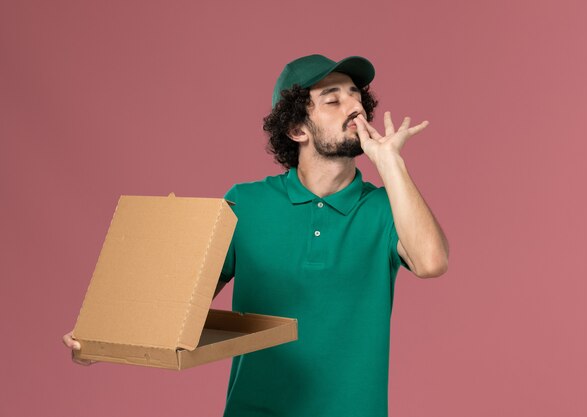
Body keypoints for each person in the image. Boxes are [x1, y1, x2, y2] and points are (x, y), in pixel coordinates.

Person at [63, 54, 449, 417]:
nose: (354, 108)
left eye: (356, 96)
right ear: (297, 128)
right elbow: (173, 308)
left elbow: (431, 262)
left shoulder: (386, 207)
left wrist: (391, 163)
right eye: (332, 100)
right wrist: (103, 341)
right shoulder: (246, 203)